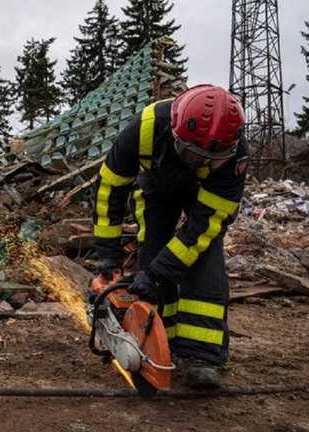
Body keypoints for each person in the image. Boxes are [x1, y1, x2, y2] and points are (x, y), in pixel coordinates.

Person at [91, 84, 248, 389]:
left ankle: (202, 356)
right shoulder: (146, 127)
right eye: (191, 154)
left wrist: (158, 272)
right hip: (156, 187)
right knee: (152, 252)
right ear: (175, 133)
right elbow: (109, 191)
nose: (199, 164)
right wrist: (107, 254)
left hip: (206, 196)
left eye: (209, 160)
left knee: (205, 259)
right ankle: (158, 341)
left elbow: (202, 228)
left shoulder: (235, 157)